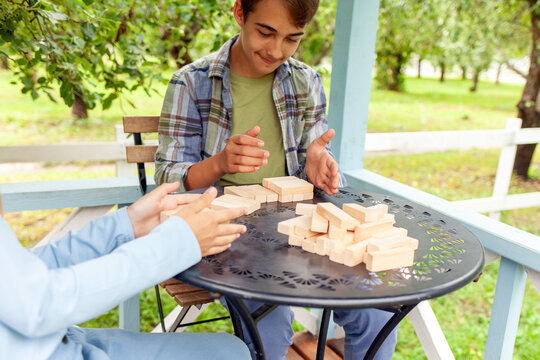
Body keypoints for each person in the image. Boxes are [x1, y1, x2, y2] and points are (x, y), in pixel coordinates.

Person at [154, 0, 398, 359]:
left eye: (291, 39)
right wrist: (220, 162)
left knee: (376, 315)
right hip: (224, 237)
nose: (275, 50)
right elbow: (167, 178)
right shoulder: (191, 83)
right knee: (270, 324)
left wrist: (319, 163)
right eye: (265, 32)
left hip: (298, 232)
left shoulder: (305, 81)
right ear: (239, 12)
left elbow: (313, 159)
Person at [0, 182, 251, 360]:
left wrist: (125, 225)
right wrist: (176, 243)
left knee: (228, 349)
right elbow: (42, 305)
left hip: (51, 340)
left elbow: (23, 272)